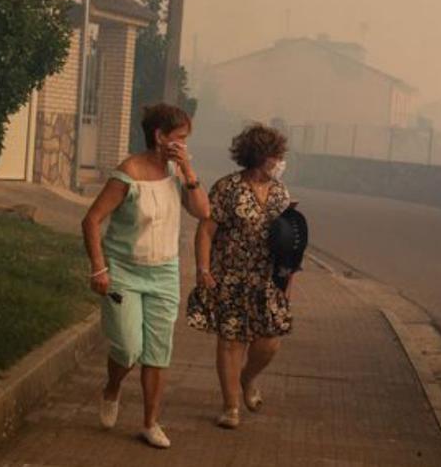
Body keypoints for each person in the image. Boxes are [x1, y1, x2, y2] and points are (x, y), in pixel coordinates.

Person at [81, 104, 209, 449]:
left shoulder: (178, 172)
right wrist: (99, 267)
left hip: (165, 273)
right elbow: (91, 220)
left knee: (157, 352)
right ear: (159, 136)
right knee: (127, 346)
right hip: (124, 270)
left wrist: (187, 168)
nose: (184, 144)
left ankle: (150, 423)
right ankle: (112, 388)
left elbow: (203, 212)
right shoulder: (129, 172)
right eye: (179, 138)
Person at [186, 123, 294, 430]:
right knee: (231, 342)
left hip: (267, 281)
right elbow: (206, 230)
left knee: (269, 342)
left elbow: (291, 242)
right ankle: (230, 406)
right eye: (276, 155)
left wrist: (288, 282)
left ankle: (247, 378)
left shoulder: (281, 192)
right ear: (260, 156)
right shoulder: (227, 188)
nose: (280, 161)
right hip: (230, 277)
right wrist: (203, 268)